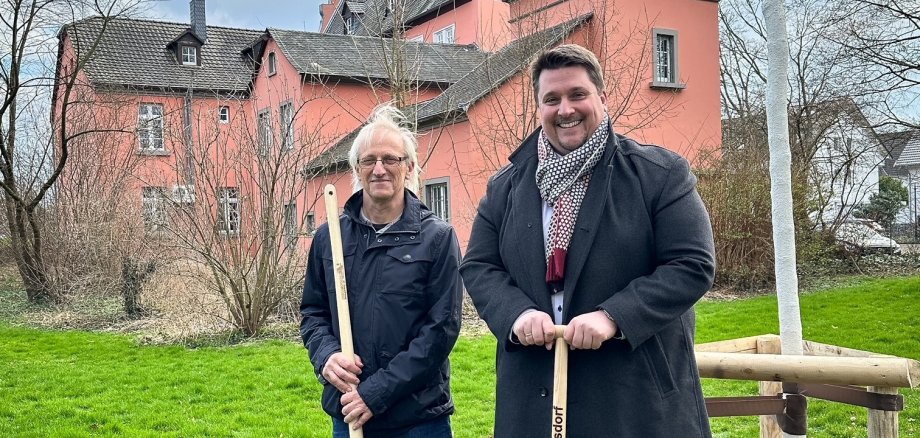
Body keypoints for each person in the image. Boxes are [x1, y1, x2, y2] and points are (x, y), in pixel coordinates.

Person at [460, 44, 716, 437]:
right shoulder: (505, 187)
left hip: (634, 397)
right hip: (534, 394)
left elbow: (691, 264)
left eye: (577, 94)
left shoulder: (659, 174)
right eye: (552, 99)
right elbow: (479, 266)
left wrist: (613, 316)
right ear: (539, 107)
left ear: (602, 97)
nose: (565, 109)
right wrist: (517, 314)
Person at [300, 104, 462, 438]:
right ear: (356, 169)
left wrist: (376, 393)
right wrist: (326, 357)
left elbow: (440, 332)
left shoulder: (437, 238)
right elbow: (313, 313)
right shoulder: (329, 236)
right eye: (369, 161)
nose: (379, 169)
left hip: (418, 418)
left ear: (410, 167)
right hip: (348, 414)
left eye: (390, 159)